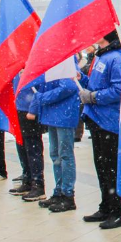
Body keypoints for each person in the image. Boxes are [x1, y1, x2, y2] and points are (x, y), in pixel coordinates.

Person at [79, 30, 121, 228]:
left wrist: (95, 97)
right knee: (101, 167)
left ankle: (118, 212)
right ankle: (105, 206)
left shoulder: (116, 58)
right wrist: (80, 78)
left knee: (111, 169)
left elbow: (119, 89)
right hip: (96, 120)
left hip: (109, 122)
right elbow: (94, 84)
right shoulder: (101, 56)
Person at [32, 73, 81, 213]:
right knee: (55, 155)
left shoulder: (64, 61)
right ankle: (59, 191)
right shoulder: (50, 62)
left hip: (63, 114)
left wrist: (43, 97)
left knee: (65, 155)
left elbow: (69, 87)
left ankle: (68, 194)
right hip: (52, 114)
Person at [10, 75, 46, 202]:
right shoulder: (19, 63)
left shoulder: (33, 62)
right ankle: (28, 179)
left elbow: (41, 87)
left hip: (30, 111)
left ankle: (38, 184)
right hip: (19, 107)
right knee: (22, 146)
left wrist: (33, 109)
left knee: (32, 148)